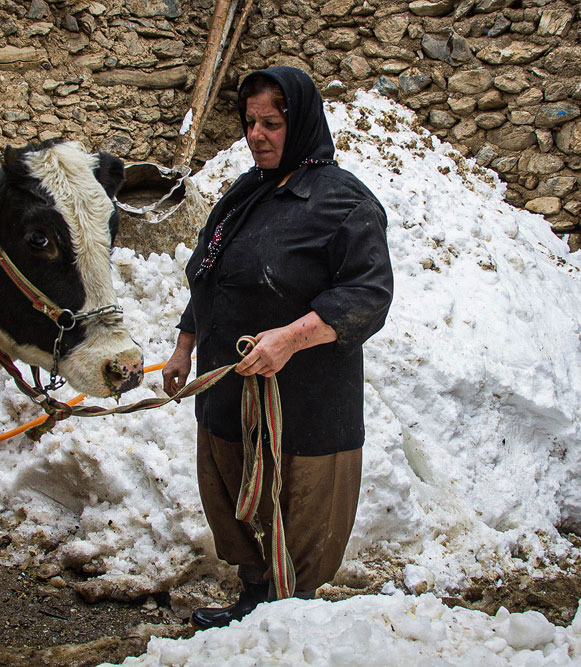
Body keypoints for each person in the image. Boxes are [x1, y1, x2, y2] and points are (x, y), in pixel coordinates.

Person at [162, 66, 394, 629]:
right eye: (250, 123)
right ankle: (254, 601)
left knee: (297, 505)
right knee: (236, 495)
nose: (257, 135)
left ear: (303, 122)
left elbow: (369, 294)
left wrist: (292, 339)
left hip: (306, 403)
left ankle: (291, 618)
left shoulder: (343, 203)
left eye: (271, 123)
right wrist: (184, 345)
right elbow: (210, 274)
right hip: (229, 393)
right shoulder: (247, 192)